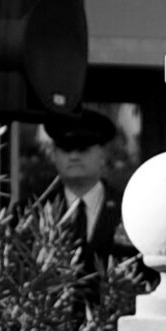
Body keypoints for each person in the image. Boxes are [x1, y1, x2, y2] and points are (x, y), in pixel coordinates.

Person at [40, 108, 138, 302]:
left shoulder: (130, 210)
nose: (74, 156)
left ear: (102, 153)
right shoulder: (32, 212)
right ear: (54, 154)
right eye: (66, 148)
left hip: (114, 322)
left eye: (83, 148)